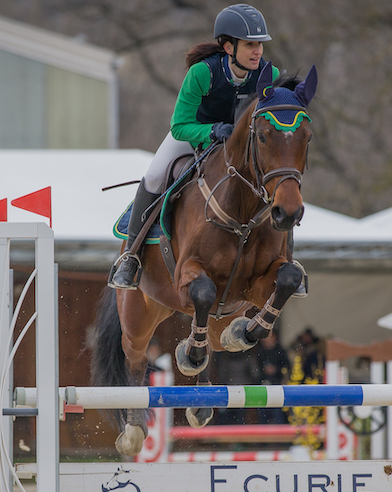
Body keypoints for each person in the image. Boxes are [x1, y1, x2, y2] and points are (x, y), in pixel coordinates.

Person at [109, 4, 278, 290]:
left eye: (259, 44)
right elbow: (179, 125)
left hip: (240, 146)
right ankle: (131, 257)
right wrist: (212, 130)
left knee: (281, 184)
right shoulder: (203, 73)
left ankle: (289, 258)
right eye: (250, 44)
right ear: (228, 47)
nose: (258, 51)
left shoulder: (268, 75)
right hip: (193, 134)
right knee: (154, 175)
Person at [251, 329, 290, 423]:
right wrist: (263, 372)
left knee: (277, 412)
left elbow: (287, 367)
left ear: (274, 337)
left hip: (278, 384)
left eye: (268, 337)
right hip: (262, 384)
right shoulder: (259, 352)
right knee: (262, 412)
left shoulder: (280, 351)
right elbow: (254, 369)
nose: (266, 340)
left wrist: (277, 370)